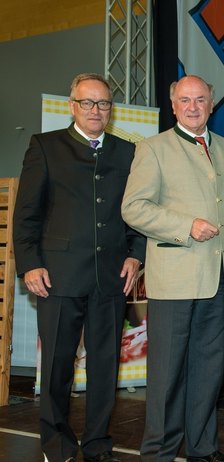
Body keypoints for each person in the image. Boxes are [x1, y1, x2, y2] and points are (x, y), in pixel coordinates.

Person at [12, 72, 145, 462]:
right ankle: (57, 444)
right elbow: (27, 216)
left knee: (105, 368)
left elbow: (137, 214)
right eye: (87, 102)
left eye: (103, 103)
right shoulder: (45, 146)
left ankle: (99, 445)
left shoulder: (128, 152)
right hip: (58, 276)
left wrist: (136, 254)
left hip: (112, 278)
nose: (95, 110)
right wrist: (30, 265)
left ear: (111, 109)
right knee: (56, 366)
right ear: (72, 106)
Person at [121, 75, 224, 462]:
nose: (193, 106)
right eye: (185, 100)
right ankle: (158, 452)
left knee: (208, 372)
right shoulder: (153, 149)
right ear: (173, 106)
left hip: (218, 280)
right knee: (167, 376)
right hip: (174, 280)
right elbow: (133, 207)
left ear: (211, 104)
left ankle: (202, 448)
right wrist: (184, 226)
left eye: (201, 100)